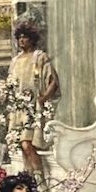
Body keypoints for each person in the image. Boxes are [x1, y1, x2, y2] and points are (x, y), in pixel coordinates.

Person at [5, 22, 61, 178]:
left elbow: (53, 82)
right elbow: (10, 83)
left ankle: (39, 178)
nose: (22, 40)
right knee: (21, 145)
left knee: (28, 144)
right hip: (19, 108)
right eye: (20, 38)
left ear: (32, 39)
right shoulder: (15, 60)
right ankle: (30, 179)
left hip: (34, 106)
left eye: (25, 37)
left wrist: (43, 99)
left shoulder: (40, 57)